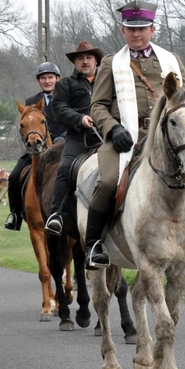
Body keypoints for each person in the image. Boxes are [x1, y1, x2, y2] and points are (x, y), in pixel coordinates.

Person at [84, 0, 185, 272]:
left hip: (166, 140)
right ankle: (94, 245)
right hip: (125, 138)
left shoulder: (171, 60)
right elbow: (97, 107)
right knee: (109, 182)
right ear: (123, 31)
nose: (137, 34)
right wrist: (113, 129)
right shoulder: (111, 63)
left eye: (143, 29)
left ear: (153, 29)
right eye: (131, 29)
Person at [44, 41, 104, 235]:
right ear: (75, 63)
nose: (85, 62)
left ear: (96, 60)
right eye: (80, 59)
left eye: (88, 58)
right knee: (64, 167)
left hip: (104, 138)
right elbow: (59, 109)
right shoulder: (65, 84)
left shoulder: (106, 82)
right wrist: (79, 118)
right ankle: (56, 215)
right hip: (78, 139)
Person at [3, 61, 65, 231]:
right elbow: (25, 127)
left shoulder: (65, 98)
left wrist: (60, 139)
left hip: (62, 148)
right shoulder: (31, 101)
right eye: (43, 78)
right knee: (15, 175)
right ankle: (15, 215)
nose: (47, 81)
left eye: (50, 77)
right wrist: (29, 142)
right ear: (39, 81)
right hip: (35, 150)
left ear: (57, 79)